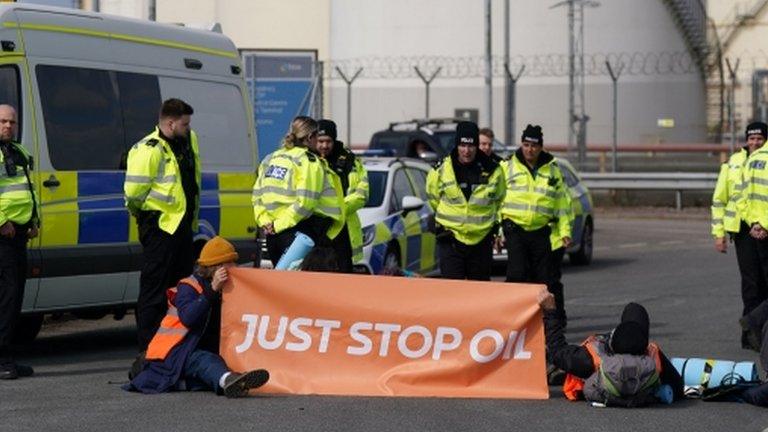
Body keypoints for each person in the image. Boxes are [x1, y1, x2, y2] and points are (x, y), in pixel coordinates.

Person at [125, 237, 269, 397]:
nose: (235, 267)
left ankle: (191, 383)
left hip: (196, 352)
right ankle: (228, 380)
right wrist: (212, 290)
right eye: (231, 263)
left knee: (210, 371)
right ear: (218, 267)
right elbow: (189, 317)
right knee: (205, 361)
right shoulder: (188, 286)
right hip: (176, 352)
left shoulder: (228, 290)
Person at [124, 98, 201, 353]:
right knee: (153, 291)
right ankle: (148, 349)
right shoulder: (150, 148)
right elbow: (133, 193)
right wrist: (145, 218)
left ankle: (175, 345)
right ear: (170, 123)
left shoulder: (188, 142)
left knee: (181, 290)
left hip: (182, 227)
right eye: (185, 124)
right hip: (160, 227)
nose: (188, 128)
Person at [537, 288, 685, 405]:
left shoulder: (591, 359)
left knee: (632, 309)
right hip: (640, 383)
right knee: (636, 310)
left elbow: (556, 349)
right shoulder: (653, 358)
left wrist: (550, 311)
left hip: (585, 372)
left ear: (612, 341)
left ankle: (556, 372)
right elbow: (678, 387)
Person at [253, 116, 345, 267]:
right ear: (310, 137)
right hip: (299, 233)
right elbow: (305, 204)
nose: (319, 142)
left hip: (272, 234)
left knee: (280, 284)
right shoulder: (308, 161)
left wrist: (266, 223)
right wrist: (279, 225)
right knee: (301, 285)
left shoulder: (272, 158)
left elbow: (257, 196)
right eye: (317, 137)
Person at [425, 121, 505, 280]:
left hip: (481, 242)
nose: (466, 151)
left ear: (476, 146)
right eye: (462, 145)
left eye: (471, 146)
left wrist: (497, 231)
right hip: (451, 240)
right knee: (453, 294)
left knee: (479, 295)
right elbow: (433, 198)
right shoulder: (441, 169)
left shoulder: (493, 170)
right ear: (457, 145)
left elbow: (500, 201)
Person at [712, 121, 768, 349]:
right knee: (751, 284)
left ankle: (759, 328)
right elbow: (720, 199)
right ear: (746, 139)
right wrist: (718, 233)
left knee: (764, 282)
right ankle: (751, 335)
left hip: (761, 225)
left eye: (759, 138)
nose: (754, 142)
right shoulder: (733, 162)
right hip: (743, 230)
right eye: (751, 138)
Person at [499, 125, 572, 292]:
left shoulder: (552, 170)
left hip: (540, 230)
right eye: (525, 145)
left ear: (540, 147)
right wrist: (498, 231)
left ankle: (543, 317)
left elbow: (562, 204)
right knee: (516, 275)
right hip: (515, 228)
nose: (529, 150)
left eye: (533, 146)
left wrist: (565, 231)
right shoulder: (507, 166)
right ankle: (513, 316)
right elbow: (496, 200)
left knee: (543, 279)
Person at [0, 105, 38, 380]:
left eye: (12, 121)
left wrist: (35, 219)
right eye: (2, 121)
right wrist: (1, 220)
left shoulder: (19, 152)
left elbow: (28, 190)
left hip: (20, 233)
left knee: (14, 299)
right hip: (3, 234)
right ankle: (2, 359)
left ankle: (7, 356)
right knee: (7, 296)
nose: (8, 126)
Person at [315, 119, 369, 273]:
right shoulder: (308, 159)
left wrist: (335, 211)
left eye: (328, 141)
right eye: (320, 141)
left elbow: (362, 194)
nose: (324, 146)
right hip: (316, 229)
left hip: (343, 230)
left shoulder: (350, 160)